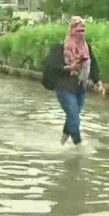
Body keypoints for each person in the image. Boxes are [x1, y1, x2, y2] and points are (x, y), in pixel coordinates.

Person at [42, 16, 105, 146]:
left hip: (80, 88)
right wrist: (68, 68)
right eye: (78, 30)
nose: (81, 33)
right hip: (64, 88)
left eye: (83, 30)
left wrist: (98, 82)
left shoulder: (86, 48)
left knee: (72, 117)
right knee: (74, 118)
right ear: (71, 30)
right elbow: (50, 66)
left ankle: (61, 144)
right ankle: (78, 146)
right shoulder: (60, 48)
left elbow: (93, 66)